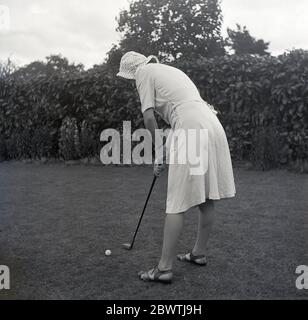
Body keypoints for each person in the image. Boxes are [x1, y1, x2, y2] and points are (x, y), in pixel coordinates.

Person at [117, 51, 236, 283]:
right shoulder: (170, 71)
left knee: (176, 202)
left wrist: (158, 152)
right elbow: (179, 115)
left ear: (132, 72)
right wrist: (164, 153)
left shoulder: (143, 73)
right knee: (205, 198)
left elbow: (150, 118)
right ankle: (198, 254)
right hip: (211, 124)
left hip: (191, 126)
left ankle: (163, 269)